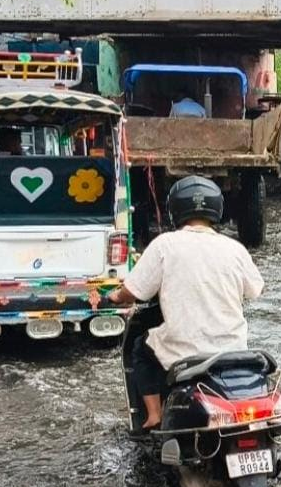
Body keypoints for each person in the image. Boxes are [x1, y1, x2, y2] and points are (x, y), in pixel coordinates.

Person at [107, 176, 264, 429]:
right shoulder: (235, 248)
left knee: (140, 349)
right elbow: (256, 289)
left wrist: (115, 296)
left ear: (175, 210)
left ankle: (154, 416)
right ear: (217, 208)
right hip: (233, 349)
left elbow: (134, 291)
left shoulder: (164, 245)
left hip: (185, 350)